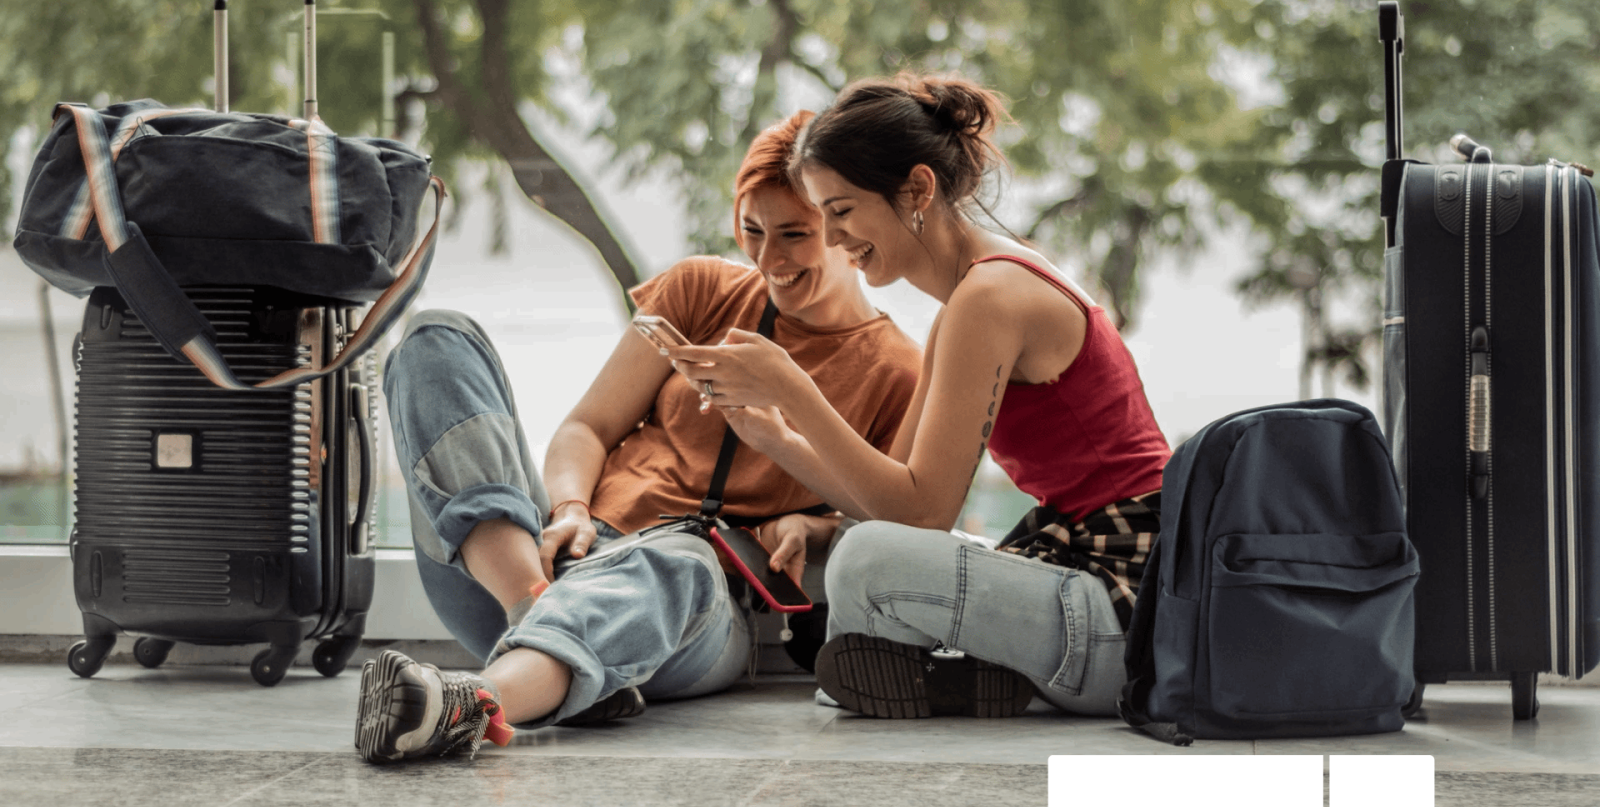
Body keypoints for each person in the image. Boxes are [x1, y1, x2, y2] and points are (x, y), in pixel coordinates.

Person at [355, 111, 923, 763]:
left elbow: (893, 524)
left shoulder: (897, 371)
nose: (768, 260)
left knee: (679, 559)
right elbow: (587, 428)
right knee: (435, 338)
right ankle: (532, 612)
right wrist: (567, 510)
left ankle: (468, 704)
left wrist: (815, 525)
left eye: (794, 235)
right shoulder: (700, 291)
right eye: (753, 230)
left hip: (687, 609)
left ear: (849, 231)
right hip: (529, 565)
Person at [668, 74, 1170, 719]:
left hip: (1128, 613)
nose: (832, 238)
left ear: (917, 190)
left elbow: (922, 516)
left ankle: (927, 673)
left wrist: (795, 389)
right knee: (859, 547)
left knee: (867, 560)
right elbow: (886, 503)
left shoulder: (990, 297)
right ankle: (944, 676)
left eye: (842, 211)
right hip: (1094, 593)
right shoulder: (968, 301)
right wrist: (775, 437)